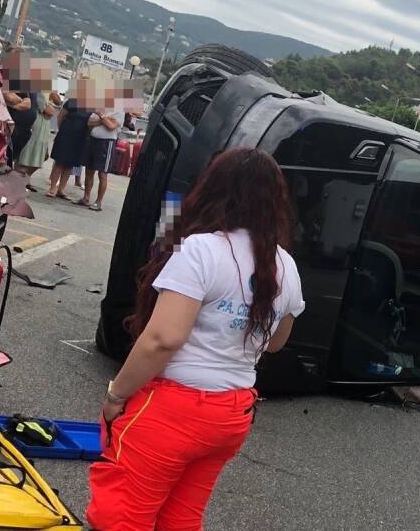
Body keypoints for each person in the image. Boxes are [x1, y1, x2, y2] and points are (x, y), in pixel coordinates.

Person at [86, 148, 304, 530]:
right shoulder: (285, 264)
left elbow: (163, 339)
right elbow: (275, 342)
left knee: (121, 515)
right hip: (232, 413)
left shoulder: (202, 249)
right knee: (181, 518)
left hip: (174, 411)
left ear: (213, 189)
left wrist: (116, 395)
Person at [47, 83, 96, 199]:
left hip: (80, 138)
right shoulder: (71, 102)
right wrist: (62, 130)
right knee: (60, 162)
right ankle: (53, 187)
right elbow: (60, 117)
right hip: (66, 135)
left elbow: (90, 123)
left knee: (70, 165)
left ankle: (61, 189)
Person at [79, 96, 121, 211]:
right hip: (93, 140)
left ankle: (98, 202)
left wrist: (101, 116)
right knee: (89, 170)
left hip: (106, 143)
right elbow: (89, 122)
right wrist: (104, 119)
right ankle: (86, 197)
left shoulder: (119, 110)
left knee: (102, 173)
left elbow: (111, 126)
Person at [13, 91, 55, 184]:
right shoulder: (37, 91)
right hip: (36, 126)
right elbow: (48, 110)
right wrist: (48, 107)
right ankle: (17, 181)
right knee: (26, 157)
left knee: (40, 157)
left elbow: (54, 106)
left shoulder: (47, 91)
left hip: (43, 127)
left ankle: (24, 180)